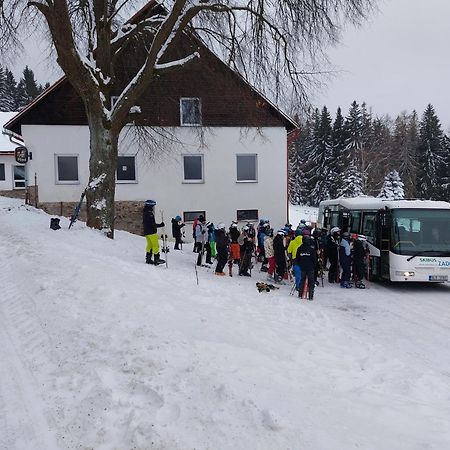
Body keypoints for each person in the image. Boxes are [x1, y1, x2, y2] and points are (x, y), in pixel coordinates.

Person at [143, 199, 165, 265]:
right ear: (150, 206)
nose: (153, 207)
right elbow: (152, 224)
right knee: (156, 245)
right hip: (151, 232)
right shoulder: (149, 214)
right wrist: (160, 225)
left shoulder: (145, 212)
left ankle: (148, 259)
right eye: (153, 206)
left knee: (149, 245)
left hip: (147, 232)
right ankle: (156, 259)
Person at [295, 234, 317, 300]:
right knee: (311, 282)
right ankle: (310, 296)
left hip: (302, 267)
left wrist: (300, 264)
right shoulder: (311, 249)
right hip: (310, 268)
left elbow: (297, 258)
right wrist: (314, 266)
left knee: (302, 280)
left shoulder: (299, 248)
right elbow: (314, 259)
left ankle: (300, 294)